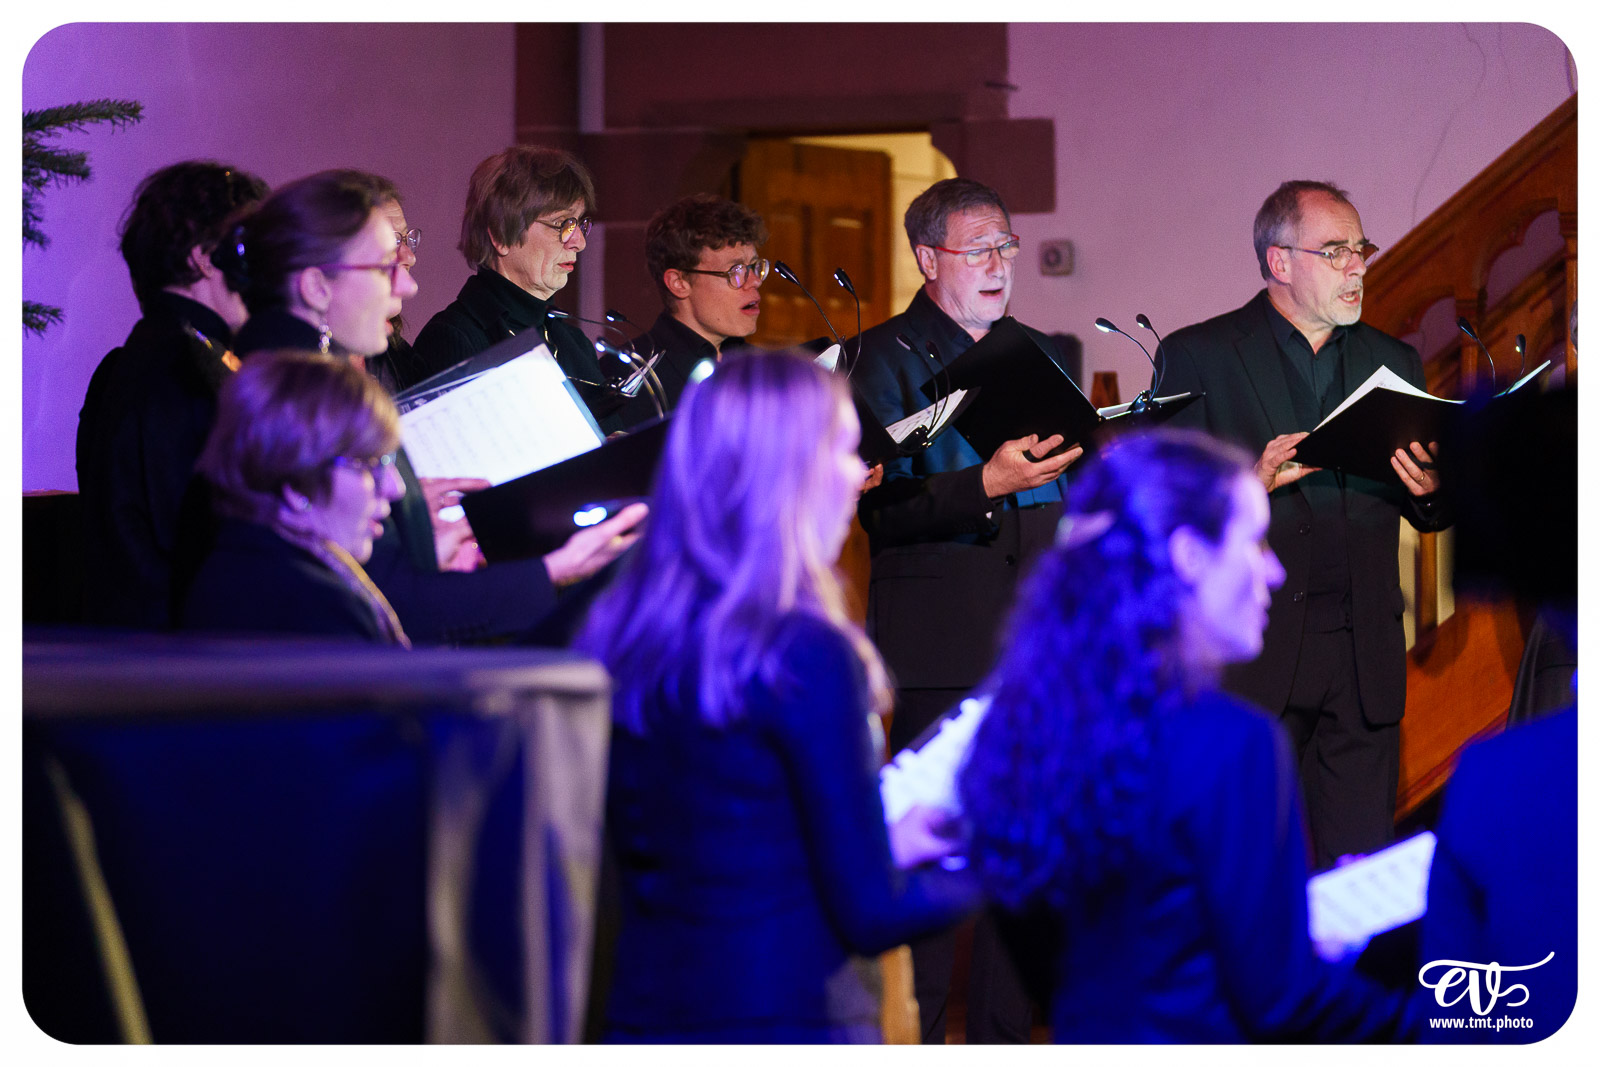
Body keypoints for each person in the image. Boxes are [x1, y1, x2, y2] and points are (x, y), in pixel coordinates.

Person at [960, 429, 1414, 1042]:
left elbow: (1100, 946)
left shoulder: (1020, 727)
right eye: (1253, 544)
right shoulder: (1232, 744)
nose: (1274, 571)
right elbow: (1279, 1001)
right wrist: (1427, 1018)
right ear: (1189, 557)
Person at [579, 351, 975, 1043]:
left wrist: (889, 840)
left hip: (646, 1011)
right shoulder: (803, 652)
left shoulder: (622, 627)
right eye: (845, 449)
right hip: (781, 1014)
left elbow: (725, 826)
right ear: (786, 470)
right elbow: (869, 913)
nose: (861, 472)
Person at [213, 169, 645, 646]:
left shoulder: (297, 375)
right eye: (383, 267)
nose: (409, 286)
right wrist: (551, 572)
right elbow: (362, 597)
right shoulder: (293, 394)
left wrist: (420, 535)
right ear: (316, 286)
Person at [1158, 180, 1451, 869]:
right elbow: (1167, 515)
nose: (1357, 265)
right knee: (1249, 882)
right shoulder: (1198, 355)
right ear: (1279, 262)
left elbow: (1427, 506)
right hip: (1253, 661)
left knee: (1361, 888)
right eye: (1336, 250)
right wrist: (1243, 491)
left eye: (1361, 248)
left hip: (1362, 664)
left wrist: (1435, 491)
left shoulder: (1395, 361)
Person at [851, 176, 1079, 1044]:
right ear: (927, 257)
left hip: (1035, 638)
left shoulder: (1033, 346)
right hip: (940, 636)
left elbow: (1066, 469)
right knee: (937, 865)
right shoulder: (886, 355)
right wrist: (987, 481)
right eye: (978, 248)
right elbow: (882, 507)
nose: (998, 264)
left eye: (1006, 247)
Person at [76, 160, 269, 629]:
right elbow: (210, 547)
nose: (265, 267)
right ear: (204, 255)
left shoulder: (131, 361)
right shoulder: (193, 368)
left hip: (140, 649)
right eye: (249, 245)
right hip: (189, 658)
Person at [181, 350, 408, 642]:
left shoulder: (233, 565)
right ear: (296, 483)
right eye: (368, 464)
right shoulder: (317, 606)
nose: (394, 487)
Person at [404, 145, 614, 422]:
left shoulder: (572, 342)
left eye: (579, 224)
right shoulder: (453, 339)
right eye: (562, 224)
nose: (579, 242)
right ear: (501, 236)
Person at [626, 193, 770, 413]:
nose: (755, 281)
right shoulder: (631, 373)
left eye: (753, 266)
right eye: (736, 270)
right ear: (679, 282)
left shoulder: (763, 367)